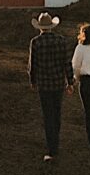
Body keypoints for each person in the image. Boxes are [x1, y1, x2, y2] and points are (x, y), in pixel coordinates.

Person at [28, 12, 74, 162]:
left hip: (44, 84)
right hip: (58, 83)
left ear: (40, 27)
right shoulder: (61, 41)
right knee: (57, 113)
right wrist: (70, 82)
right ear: (52, 26)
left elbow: (32, 65)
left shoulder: (35, 42)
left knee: (48, 115)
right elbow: (67, 63)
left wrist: (32, 81)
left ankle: (52, 148)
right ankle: (56, 143)